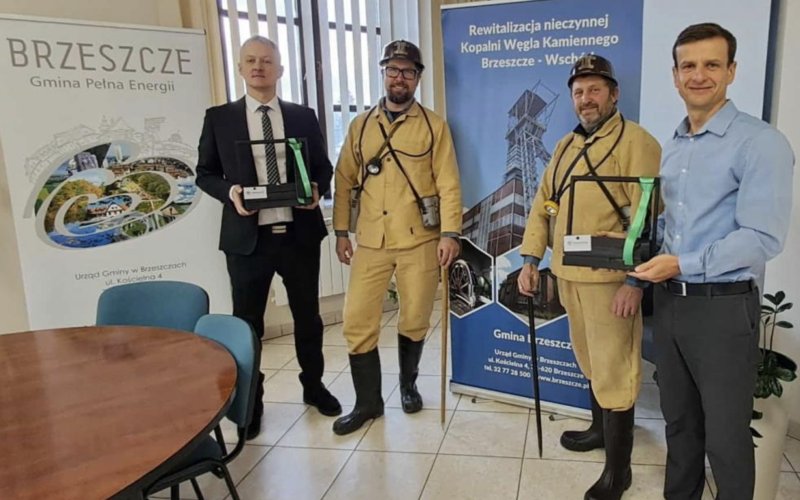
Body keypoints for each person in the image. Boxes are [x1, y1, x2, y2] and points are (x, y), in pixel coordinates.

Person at [630, 23, 794, 500]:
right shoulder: (676, 145)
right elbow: (672, 228)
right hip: (672, 306)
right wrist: (636, 251)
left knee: (725, 439)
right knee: (679, 426)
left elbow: (761, 238)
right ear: (675, 76)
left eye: (711, 65)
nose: (698, 75)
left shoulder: (760, 143)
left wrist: (680, 264)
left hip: (723, 309)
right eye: (688, 66)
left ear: (732, 71)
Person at [517, 54, 661, 499]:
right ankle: (600, 431)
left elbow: (650, 218)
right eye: (579, 92)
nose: (586, 99)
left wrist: (635, 281)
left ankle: (619, 472)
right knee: (589, 361)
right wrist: (529, 259)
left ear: (614, 94)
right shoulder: (562, 147)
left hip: (611, 281)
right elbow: (545, 204)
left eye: (595, 89)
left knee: (615, 369)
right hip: (568, 275)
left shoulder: (638, 142)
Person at [196, 36, 341, 440]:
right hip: (248, 242)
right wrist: (231, 193)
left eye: (267, 61)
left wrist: (315, 188)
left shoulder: (302, 116)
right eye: (250, 61)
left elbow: (323, 168)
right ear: (241, 69)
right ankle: (251, 403)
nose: (259, 67)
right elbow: (203, 173)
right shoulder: (219, 118)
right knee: (248, 325)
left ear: (280, 70)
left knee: (308, 319)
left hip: (298, 236)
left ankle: (313, 387)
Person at [331, 40, 462, 436]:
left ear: (418, 78)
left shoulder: (434, 126)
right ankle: (368, 402)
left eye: (407, 71)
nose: (399, 77)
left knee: (415, 317)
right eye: (393, 70)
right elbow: (344, 181)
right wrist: (340, 230)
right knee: (357, 320)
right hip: (371, 239)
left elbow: (449, 184)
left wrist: (450, 233)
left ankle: (407, 385)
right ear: (383, 73)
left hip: (419, 240)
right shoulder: (360, 126)